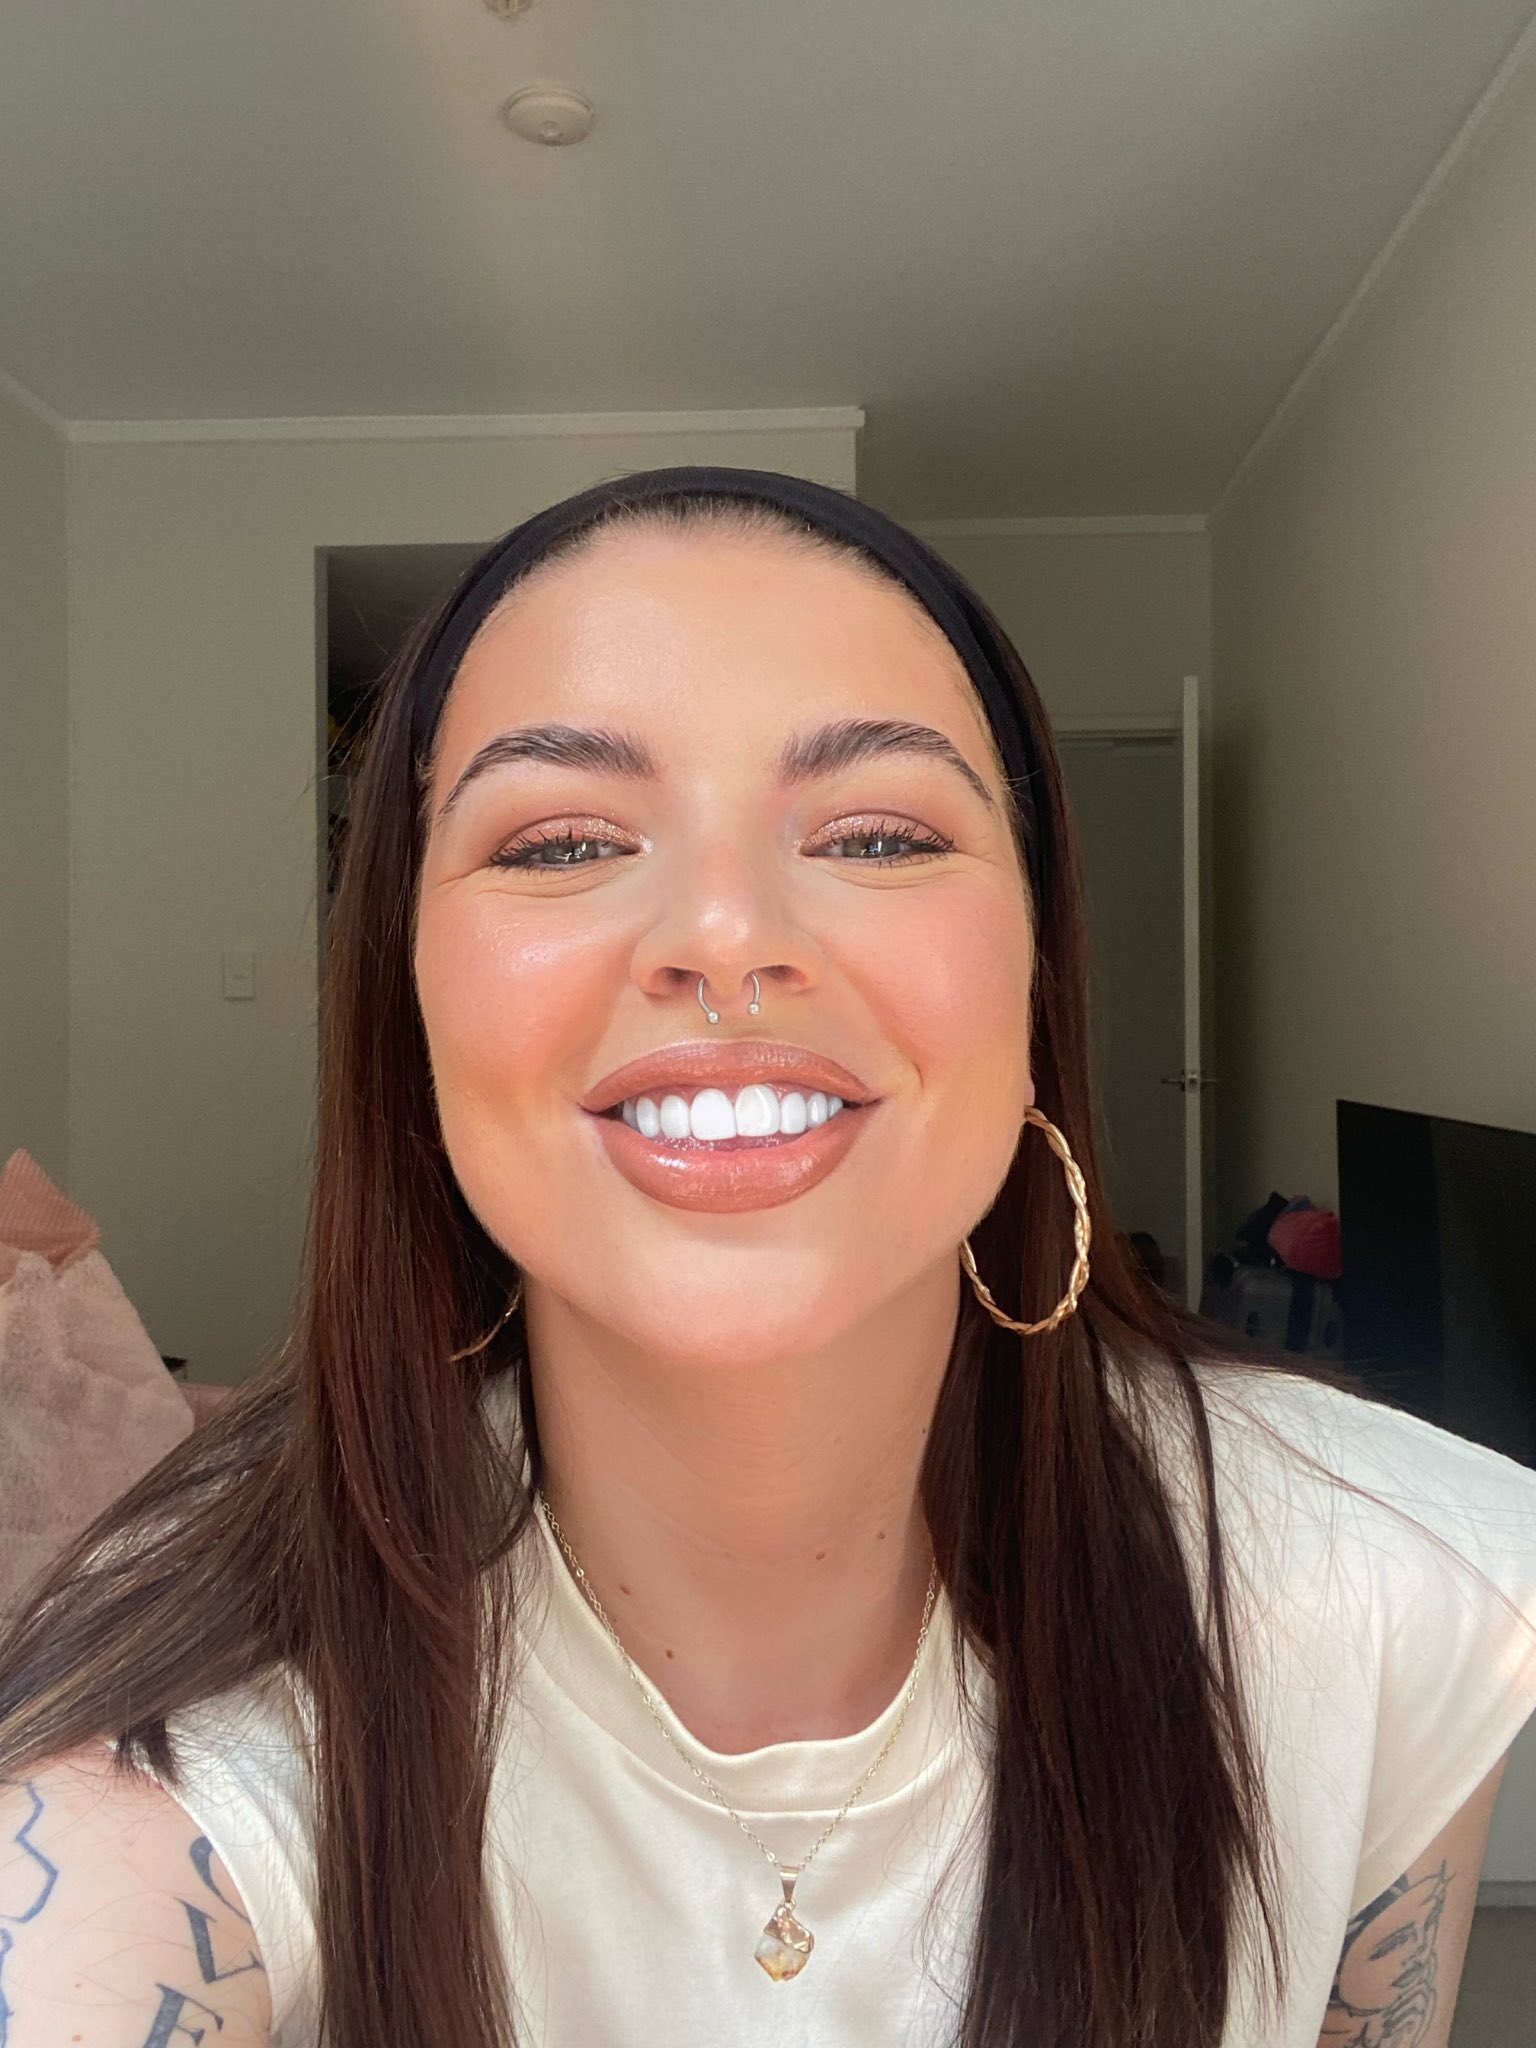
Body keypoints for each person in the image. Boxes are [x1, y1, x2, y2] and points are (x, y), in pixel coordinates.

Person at [1, 467, 1534, 2048]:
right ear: (410, 999)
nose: (726, 933)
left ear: (1034, 978)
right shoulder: (178, 1752)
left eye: (876, 832)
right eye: (561, 843)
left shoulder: (1386, 1586)